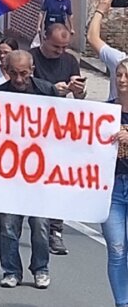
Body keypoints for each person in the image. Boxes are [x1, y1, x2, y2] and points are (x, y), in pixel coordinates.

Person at [0, 50, 58, 291]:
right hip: (9, 174)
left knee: (41, 226)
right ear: (6, 71)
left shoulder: (47, 91)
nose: (18, 79)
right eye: (13, 73)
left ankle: (41, 268)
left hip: (40, 173)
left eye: (23, 73)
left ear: (32, 70)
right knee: (8, 226)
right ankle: (11, 270)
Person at [30, 22, 86, 256]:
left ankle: (55, 231)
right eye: (56, 47)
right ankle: (34, 224)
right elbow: (24, 90)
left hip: (60, 129)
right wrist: (53, 89)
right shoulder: (30, 58)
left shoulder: (71, 61)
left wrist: (77, 89)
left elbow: (81, 95)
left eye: (64, 47)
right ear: (43, 38)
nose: (60, 52)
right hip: (33, 129)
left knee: (58, 182)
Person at [101, 58, 128, 307]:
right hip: (112, 191)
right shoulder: (106, 112)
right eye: (118, 75)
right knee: (117, 249)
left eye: (126, 76)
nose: (121, 80)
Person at [87, 0, 126, 101]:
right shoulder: (120, 60)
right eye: (120, 75)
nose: (123, 80)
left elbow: (92, 38)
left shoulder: (119, 60)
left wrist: (100, 10)